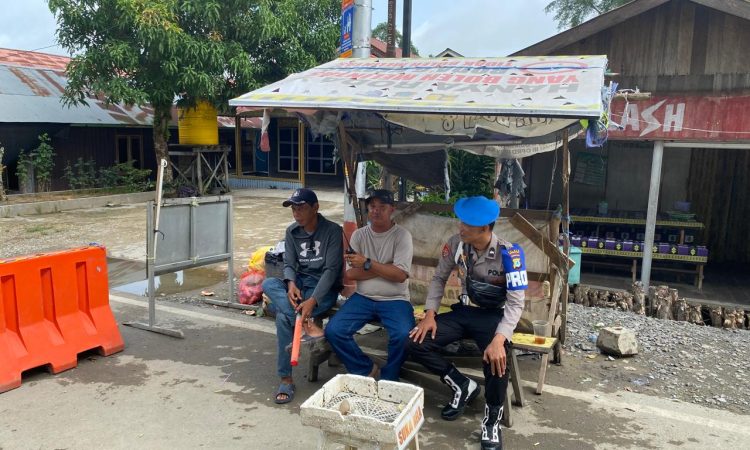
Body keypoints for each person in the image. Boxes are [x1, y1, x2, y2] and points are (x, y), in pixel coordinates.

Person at [407, 196, 527, 450]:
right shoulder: (456, 244)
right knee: (415, 341)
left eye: (467, 224)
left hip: (493, 317)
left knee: (497, 360)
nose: (460, 227)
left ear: (484, 228)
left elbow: (516, 304)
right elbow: (439, 278)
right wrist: (430, 314)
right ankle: (462, 385)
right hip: (464, 312)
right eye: (461, 221)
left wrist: (499, 339)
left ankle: (491, 421)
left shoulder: (511, 254)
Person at [261, 188, 343, 404]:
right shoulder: (291, 232)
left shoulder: (333, 231)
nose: (296, 213)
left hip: (323, 289)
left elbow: (331, 270)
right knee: (268, 283)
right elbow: (289, 264)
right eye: (294, 209)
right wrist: (290, 283)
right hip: (300, 285)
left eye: (301, 208)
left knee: (282, 317)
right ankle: (308, 325)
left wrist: (313, 300)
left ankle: (286, 380)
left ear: (315, 208)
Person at [325, 189, 414, 381]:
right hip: (363, 298)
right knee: (334, 330)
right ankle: (365, 370)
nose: (376, 211)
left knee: (403, 335)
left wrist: (367, 263)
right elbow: (351, 273)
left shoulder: (402, 236)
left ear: (392, 209)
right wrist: (386, 267)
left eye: (382, 207)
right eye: (372, 206)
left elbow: (400, 276)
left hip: (396, 299)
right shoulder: (358, 235)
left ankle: (389, 379)